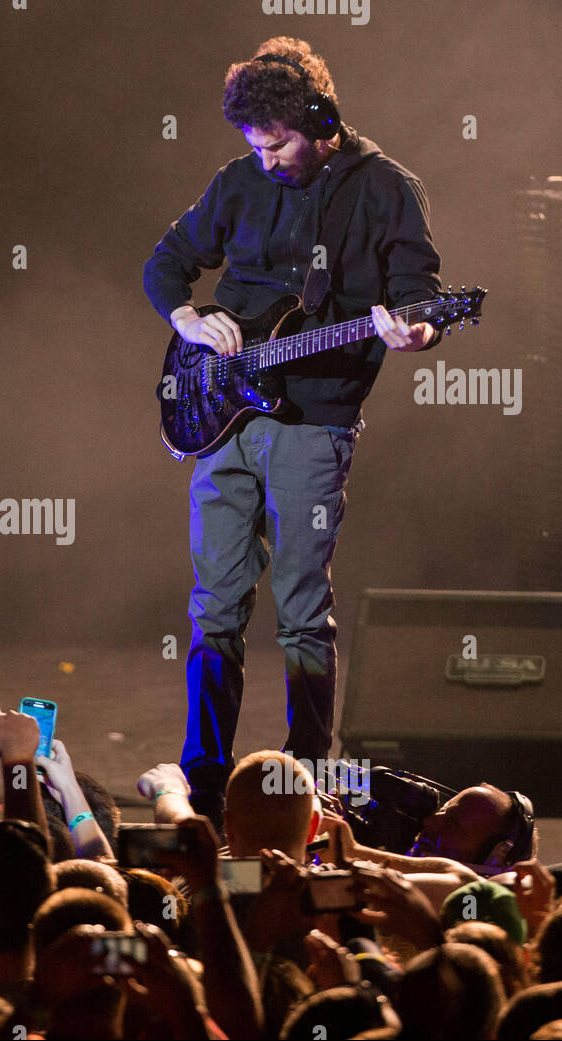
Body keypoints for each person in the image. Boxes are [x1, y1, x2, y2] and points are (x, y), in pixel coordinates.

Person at [142, 38, 443, 825]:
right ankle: (205, 781)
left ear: (319, 121)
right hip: (222, 420)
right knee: (215, 604)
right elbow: (166, 263)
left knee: (303, 606)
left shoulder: (387, 190)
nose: (266, 159)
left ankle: (304, 784)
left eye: (277, 143)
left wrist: (416, 334)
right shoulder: (237, 183)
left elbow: (419, 299)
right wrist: (191, 319)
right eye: (254, 145)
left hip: (315, 423)